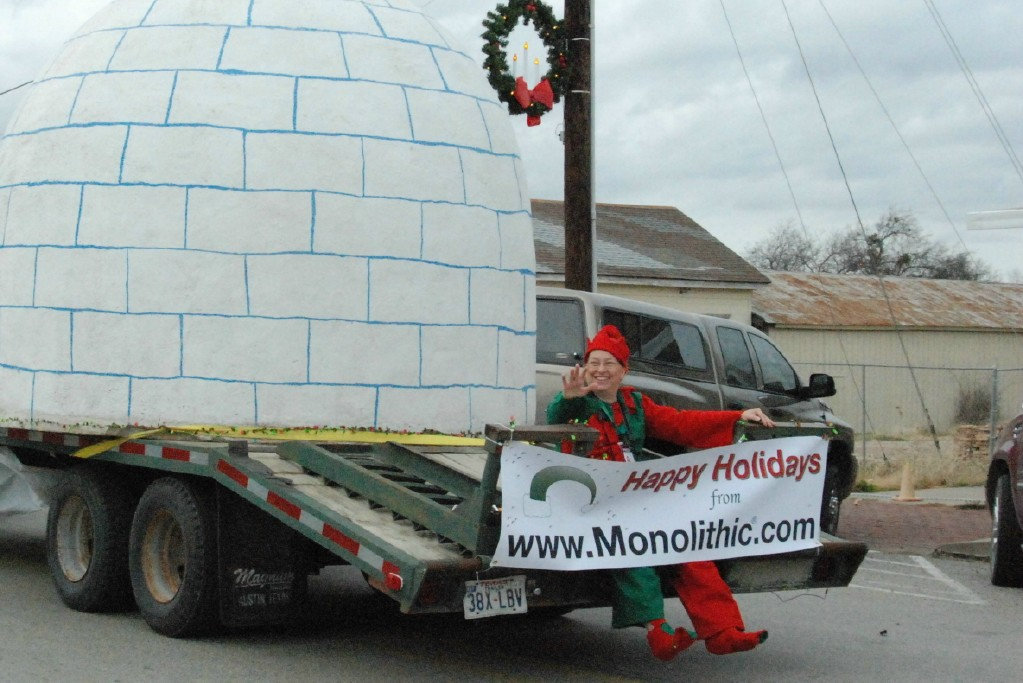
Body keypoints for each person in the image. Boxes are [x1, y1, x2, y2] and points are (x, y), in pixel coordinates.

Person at [547, 324, 775, 661]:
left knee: (687, 545)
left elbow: (681, 423)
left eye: (609, 363)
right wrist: (567, 398)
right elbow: (557, 415)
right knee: (634, 549)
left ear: (624, 370)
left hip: (636, 497)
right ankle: (658, 631)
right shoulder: (578, 402)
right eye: (594, 362)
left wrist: (737, 416)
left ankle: (723, 631)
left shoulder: (636, 403)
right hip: (591, 501)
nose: (599, 370)